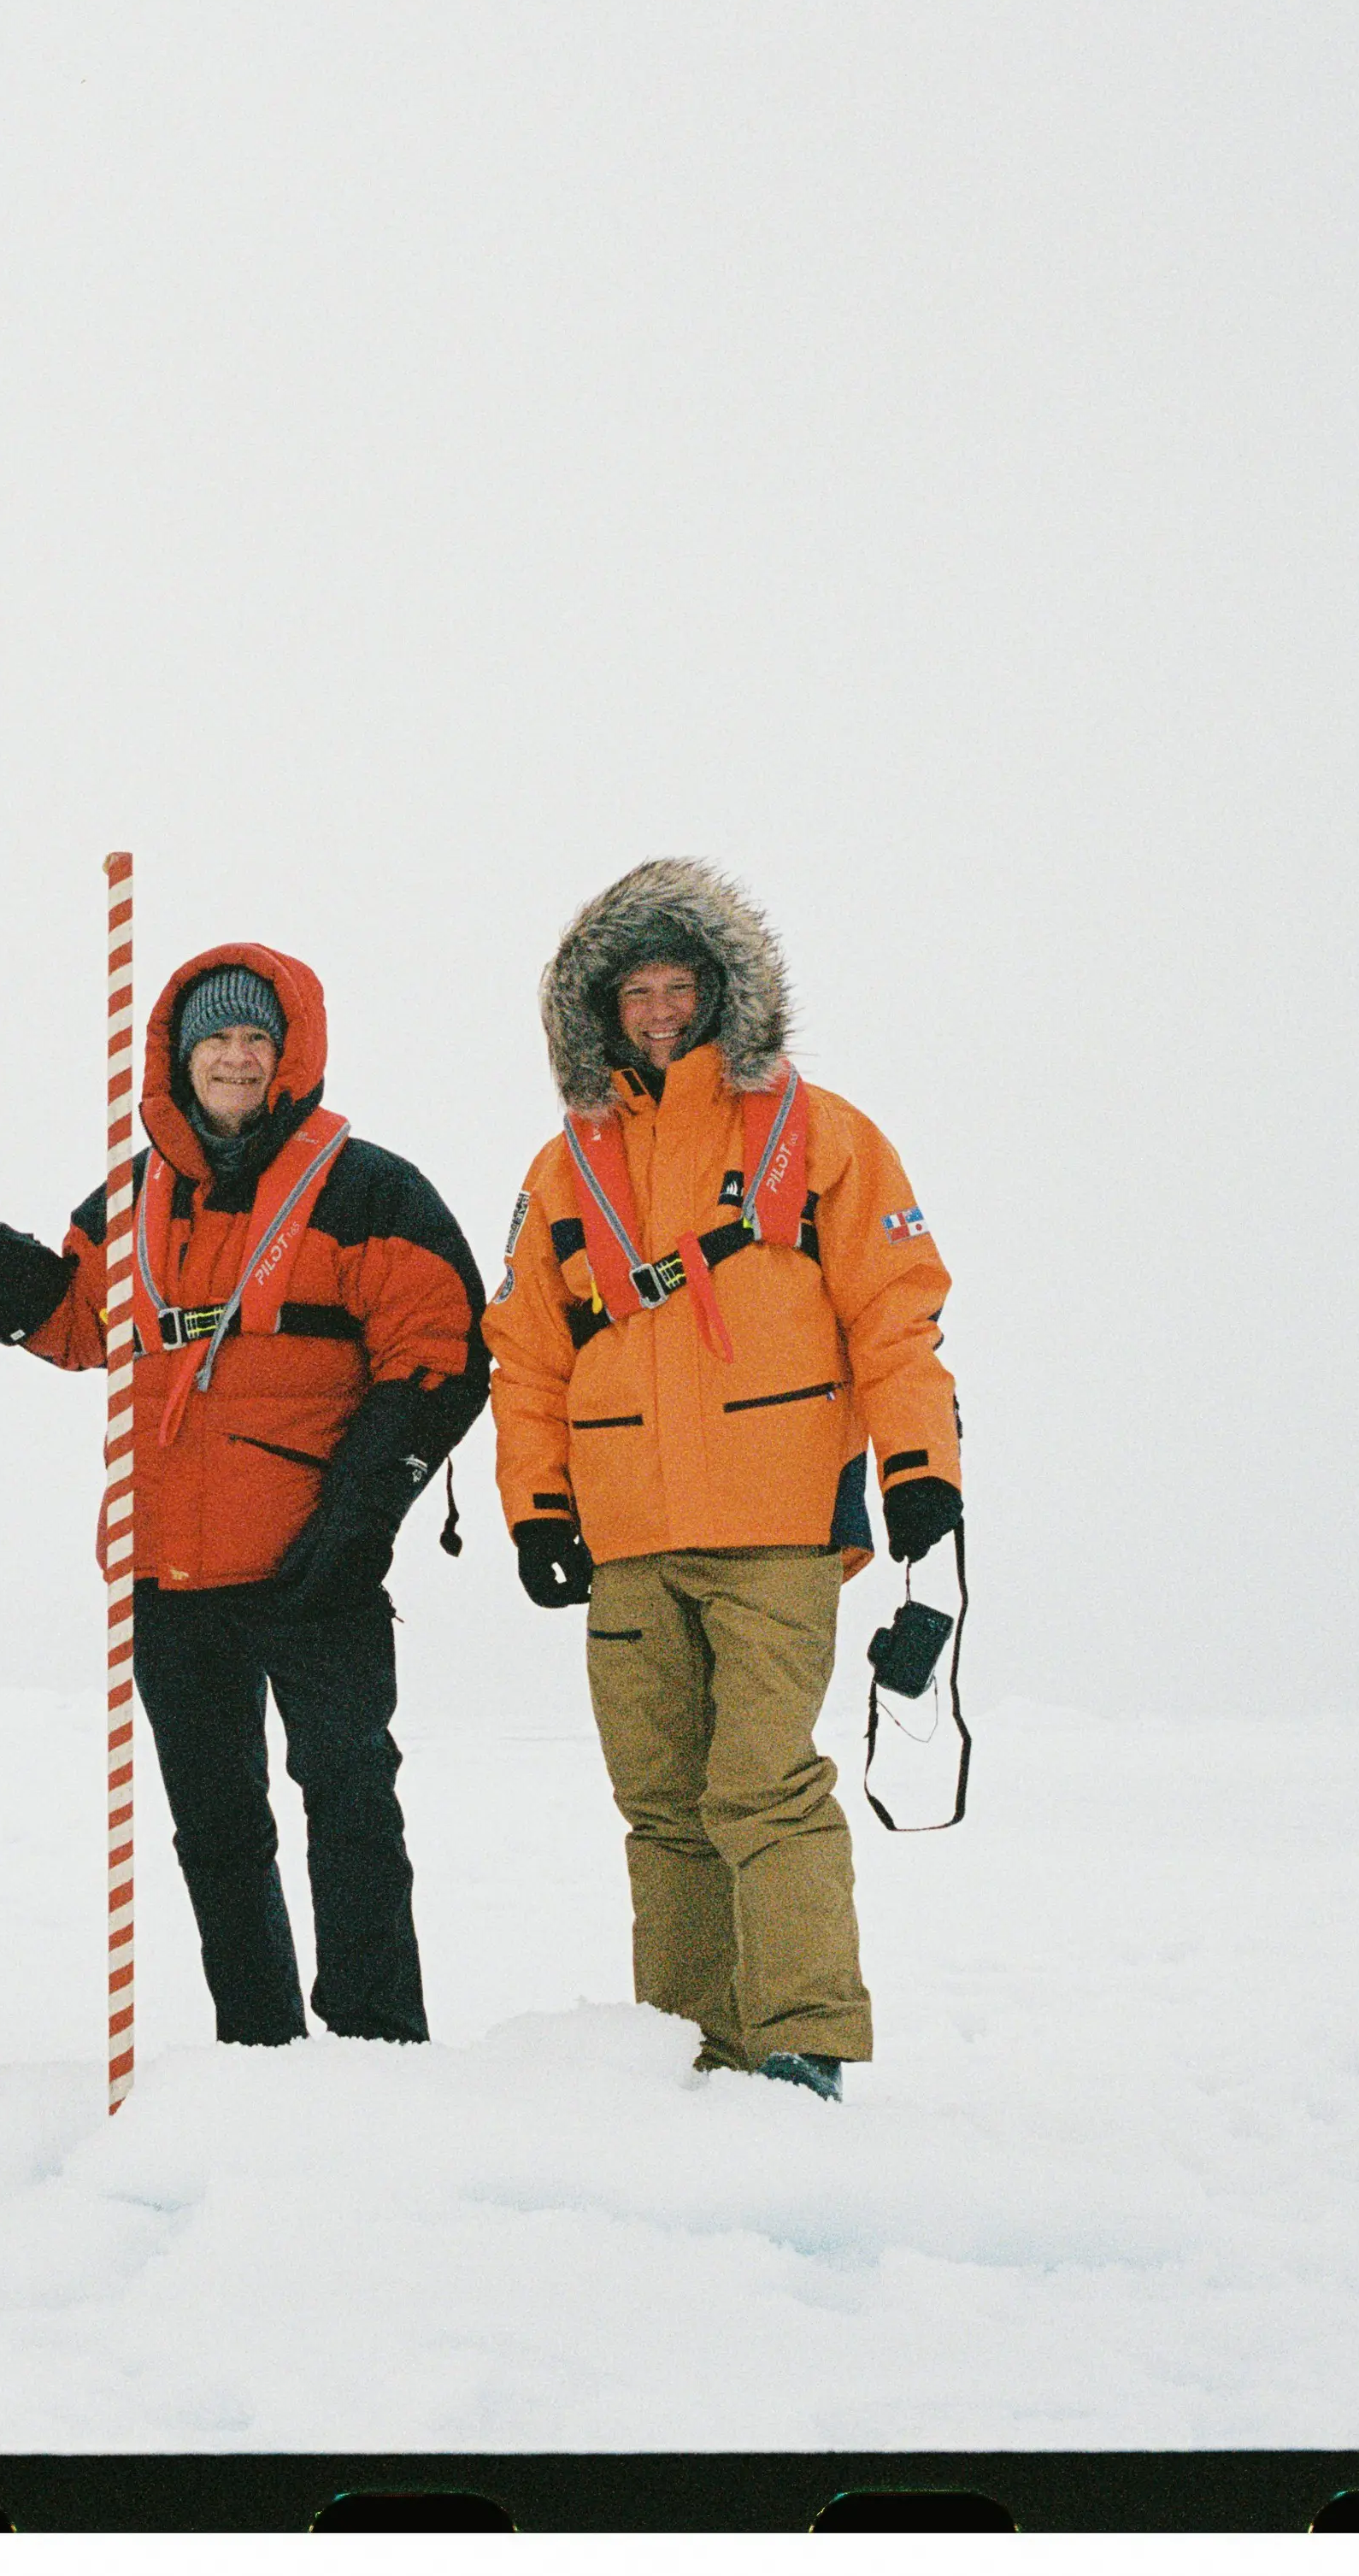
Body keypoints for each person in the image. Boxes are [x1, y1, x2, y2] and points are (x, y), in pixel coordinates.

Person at [0, 945, 488, 2050]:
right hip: (170, 1574)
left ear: (289, 1055)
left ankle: (379, 2044)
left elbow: (439, 1354)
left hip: (316, 1570)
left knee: (350, 1803)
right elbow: (65, 1318)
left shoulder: (367, 1186)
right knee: (218, 1828)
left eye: (256, 1039)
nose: (236, 1058)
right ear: (177, 1058)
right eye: (215, 1040)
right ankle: (260, 2045)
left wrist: (356, 1521)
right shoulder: (130, 1199)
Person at [479, 859, 964, 2102]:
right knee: (662, 1808)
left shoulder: (825, 1134)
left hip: (777, 1527)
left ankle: (801, 2048)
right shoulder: (561, 1169)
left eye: (676, 983)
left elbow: (896, 1318)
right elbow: (526, 1353)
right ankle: (687, 2053)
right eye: (633, 989)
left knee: (760, 1787)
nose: (655, 1008)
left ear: (721, 992)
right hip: (628, 1540)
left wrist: (920, 1474)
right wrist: (537, 1508)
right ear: (598, 1010)